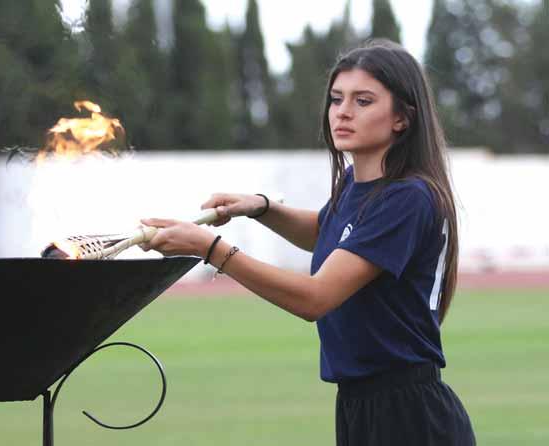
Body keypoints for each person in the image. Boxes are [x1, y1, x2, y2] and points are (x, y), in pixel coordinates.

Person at [140, 39, 475, 446]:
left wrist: (209, 248)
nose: (343, 112)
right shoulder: (357, 183)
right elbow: (326, 233)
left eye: (364, 101)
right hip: (360, 405)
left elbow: (314, 298)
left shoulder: (406, 198)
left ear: (402, 118)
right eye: (337, 99)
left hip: (407, 414)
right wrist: (260, 208)